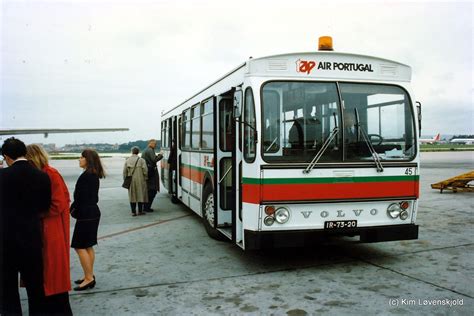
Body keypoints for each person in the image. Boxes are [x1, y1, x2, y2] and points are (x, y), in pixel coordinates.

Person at [0, 138, 51, 314]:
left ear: (6, 156)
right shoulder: (42, 176)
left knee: (7, 288)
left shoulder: (2, 176)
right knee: (35, 287)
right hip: (31, 237)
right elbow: (45, 207)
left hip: (6, 239)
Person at [25, 144, 73, 314]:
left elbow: (59, 203)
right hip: (47, 226)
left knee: (52, 268)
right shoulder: (43, 173)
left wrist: (36, 214)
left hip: (52, 227)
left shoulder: (50, 173)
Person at [70, 149, 105, 291]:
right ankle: (89, 275)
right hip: (92, 212)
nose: (79, 159)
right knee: (88, 245)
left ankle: (89, 278)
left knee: (79, 246)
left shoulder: (86, 176)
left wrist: (72, 209)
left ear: (87, 160)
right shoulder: (93, 174)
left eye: (81, 157)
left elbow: (80, 198)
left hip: (86, 213)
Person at [123, 147, 148, 216]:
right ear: (138, 152)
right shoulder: (141, 160)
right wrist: (145, 178)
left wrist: (125, 179)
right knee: (141, 195)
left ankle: (133, 212)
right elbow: (145, 171)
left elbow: (124, 172)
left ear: (132, 152)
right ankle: (140, 211)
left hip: (131, 180)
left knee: (132, 196)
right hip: (140, 179)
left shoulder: (127, 160)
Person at [141, 139, 163, 212]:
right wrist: (160, 155)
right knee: (152, 190)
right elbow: (154, 160)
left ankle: (145, 206)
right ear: (150, 143)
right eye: (154, 143)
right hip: (151, 172)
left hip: (147, 171)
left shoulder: (145, 150)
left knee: (149, 190)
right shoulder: (150, 150)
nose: (155, 145)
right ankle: (147, 207)